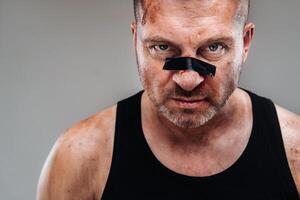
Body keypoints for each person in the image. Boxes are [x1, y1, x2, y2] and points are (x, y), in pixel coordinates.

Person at [37, 0, 300, 199]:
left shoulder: (295, 151)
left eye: (213, 48)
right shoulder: (81, 156)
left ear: (245, 43)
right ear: (136, 42)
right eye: (162, 48)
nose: (188, 80)